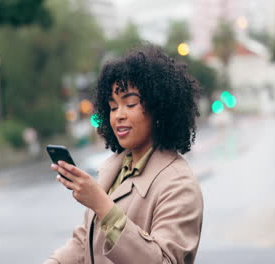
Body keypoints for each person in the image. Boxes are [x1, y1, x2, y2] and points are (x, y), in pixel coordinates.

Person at [45, 44, 203, 264]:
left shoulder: (178, 183)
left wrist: (101, 204)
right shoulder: (113, 169)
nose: (118, 115)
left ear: (159, 108)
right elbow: (86, 242)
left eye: (129, 103)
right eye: (112, 107)